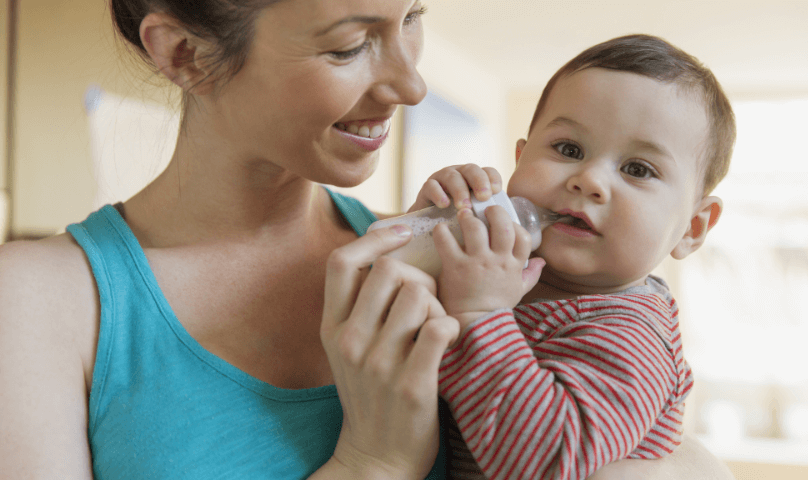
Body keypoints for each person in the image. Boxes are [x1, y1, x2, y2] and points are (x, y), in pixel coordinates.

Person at [0, 0, 733, 477]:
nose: (413, 86)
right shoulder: (39, 305)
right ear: (187, 55)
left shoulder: (452, 259)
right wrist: (372, 460)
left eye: (414, 14)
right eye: (350, 46)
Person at [408, 34, 736, 479]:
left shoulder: (630, 332)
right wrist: (426, 237)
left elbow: (548, 461)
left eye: (638, 169)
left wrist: (480, 314)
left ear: (692, 227)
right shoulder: (493, 269)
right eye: (569, 149)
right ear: (519, 161)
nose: (590, 179)